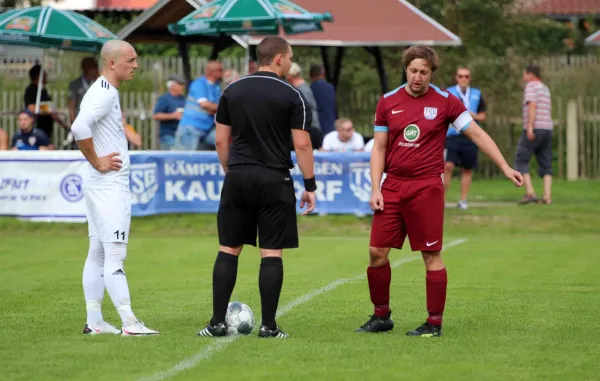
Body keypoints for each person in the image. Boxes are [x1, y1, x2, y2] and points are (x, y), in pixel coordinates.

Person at [356, 45, 523, 337]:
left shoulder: (446, 102)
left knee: (430, 254)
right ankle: (381, 316)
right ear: (405, 69)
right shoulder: (387, 102)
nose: (417, 77)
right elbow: (379, 148)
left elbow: (477, 134)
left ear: (432, 73)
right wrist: (375, 187)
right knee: (376, 253)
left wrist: (505, 167)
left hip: (427, 187)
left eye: (423, 72)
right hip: (392, 185)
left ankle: (434, 323)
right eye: (413, 70)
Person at [196, 36, 316, 339]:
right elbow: (301, 144)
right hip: (275, 179)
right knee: (271, 252)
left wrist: (230, 170)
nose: (290, 63)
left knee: (228, 248)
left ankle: (216, 323)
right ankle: (269, 326)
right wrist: (310, 185)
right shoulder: (293, 95)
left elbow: (221, 140)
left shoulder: (232, 90)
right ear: (278, 59)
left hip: (238, 176)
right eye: (289, 57)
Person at [71, 40, 159, 336]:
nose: (135, 65)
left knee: (97, 251)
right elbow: (78, 127)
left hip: (100, 184)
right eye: (131, 60)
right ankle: (129, 323)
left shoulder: (103, 91)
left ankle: (95, 321)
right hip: (108, 185)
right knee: (114, 255)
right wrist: (97, 161)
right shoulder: (104, 93)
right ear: (112, 63)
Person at [444, 67, 487, 210]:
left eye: (466, 76)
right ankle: (442, 200)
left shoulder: (476, 94)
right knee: (448, 166)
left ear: (470, 78)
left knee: (467, 169)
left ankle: (463, 200)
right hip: (452, 134)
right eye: (461, 76)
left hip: (470, 136)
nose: (463, 79)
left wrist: (471, 115)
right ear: (456, 77)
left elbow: (483, 116)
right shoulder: (449, 92)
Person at [515, 64, 553, 205]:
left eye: (524, 74)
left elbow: (532, 105)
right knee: (546, 162)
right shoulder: (545, 88)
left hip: (535, 128)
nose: (523, 77)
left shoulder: (531, 86)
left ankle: (530, 192)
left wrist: (530, 127)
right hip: (547, 128)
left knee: (521, 159)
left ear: (530, 75)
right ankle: (547, 197)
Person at [175, 61, 223, 150]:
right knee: (186, 158)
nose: (222, 72)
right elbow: (205, 105)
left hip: (207, 127)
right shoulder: (199, 83)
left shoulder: (216, 87)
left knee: (224, 144)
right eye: (220, 70)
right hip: (191, 128)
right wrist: (224, 109)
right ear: (212, 72)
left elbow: (215, 107)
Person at [287, 62, 323, 149]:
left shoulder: (301, 90)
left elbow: (303, 110)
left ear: (290, 75)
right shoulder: (303, 88)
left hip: (308, 129)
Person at [152, 74, 187, 150]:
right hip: (168, 135)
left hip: (182, 135)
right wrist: (173, 116)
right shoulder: (165, 98)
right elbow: (156, 115)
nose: (183, 87)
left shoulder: (183, 99)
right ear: (172, 85)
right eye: (180, 84)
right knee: (173, 158)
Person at [68, 57, 99, 125]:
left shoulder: (99, 84)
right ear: (86, 68)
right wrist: (73, 123)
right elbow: (71, 107)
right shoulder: (75, 85)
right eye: (94, 67)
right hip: (81, 122)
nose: (97, 70)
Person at [310, 64, 337, 135]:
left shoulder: (310, 89)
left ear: (311, 76)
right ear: (323, 74)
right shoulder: (330, 88)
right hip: (331, 125)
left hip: (317, 127)